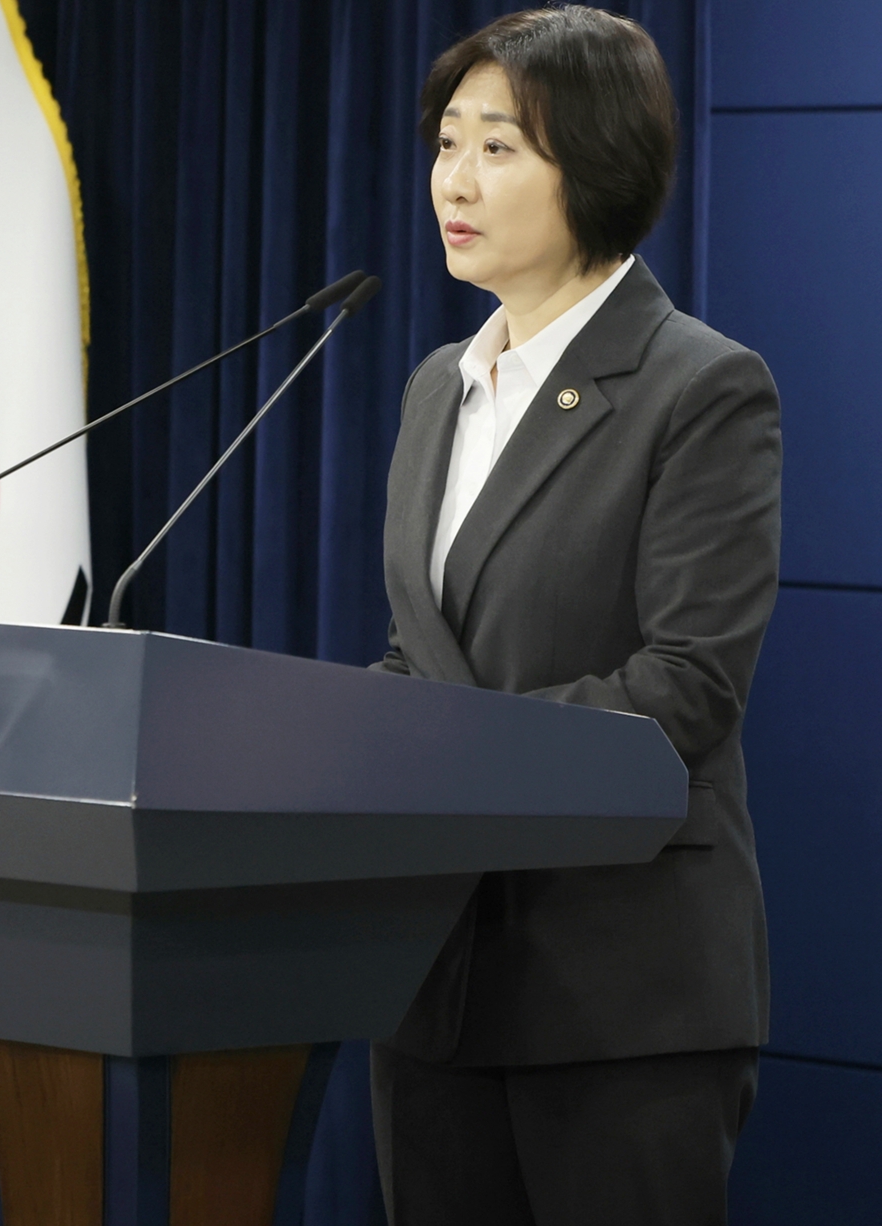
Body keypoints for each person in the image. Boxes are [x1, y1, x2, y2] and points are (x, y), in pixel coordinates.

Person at [370, 10, 778, 1225]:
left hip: (618, 991)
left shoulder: (699, 387)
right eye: (446, 143)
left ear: (591, 162)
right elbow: (421, 651)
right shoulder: (436, 389)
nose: (455, 179)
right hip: (432, 981)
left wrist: (445, 755)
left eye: (499, 148)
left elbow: (687, 684)